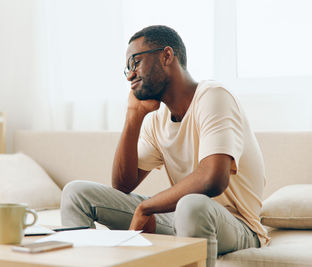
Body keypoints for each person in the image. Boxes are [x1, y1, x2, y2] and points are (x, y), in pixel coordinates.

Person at [61, 25, 269, 266]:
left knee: (190, 205)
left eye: (135, 62)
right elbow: (122, 184)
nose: (130, 75)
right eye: (127, 68)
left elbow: (212, 178)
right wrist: (133, 116)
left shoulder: (214, 97)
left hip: (237, 226)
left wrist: (146, 208)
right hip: (179, 218)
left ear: (167, 56)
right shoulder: (157, 119)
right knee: (76, 192)